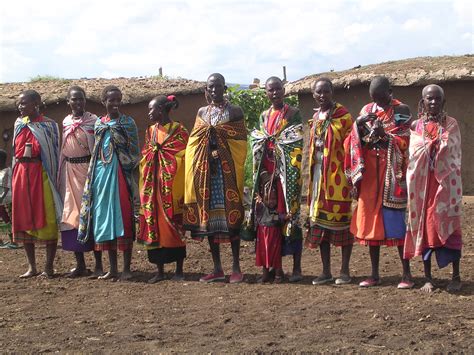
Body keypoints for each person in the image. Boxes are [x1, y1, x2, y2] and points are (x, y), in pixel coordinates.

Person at [345, 76, 413, 288]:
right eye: (374, 98)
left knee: (395, 222)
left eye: (381, 98)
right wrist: (358, 125)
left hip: (392, 173)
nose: (378, 103)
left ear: (390, 92)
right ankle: (374, 274)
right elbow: (353, 139)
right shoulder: (367, 110)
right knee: (370, 223)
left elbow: (407, 139)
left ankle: (407, 275)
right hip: (370, 176)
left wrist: (385, 136)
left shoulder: (402, 109)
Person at [183, 73, 247, 283]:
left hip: (227, 171)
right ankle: (217, 268)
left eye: (217, 87)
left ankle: (236, 267)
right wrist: (204, 155)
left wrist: (221, 150)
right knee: (209, 219)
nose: (214, 91)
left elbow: (240, 143)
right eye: (210, 87)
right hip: (206, 173)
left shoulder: (234, 111)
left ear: (224, 88)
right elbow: (195, 141)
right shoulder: (202, 112)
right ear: (206, 90)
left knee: (232, 219)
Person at [404, 84, 462, 292]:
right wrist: (430, 145)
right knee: (427, 227)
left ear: (443, 102)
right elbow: (414, 153)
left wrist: (437, 145)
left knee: (451, 226)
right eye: (430, 99)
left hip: (446, 187)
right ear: (423, 102)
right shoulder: (416, 127)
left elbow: (453, 151)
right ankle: (428, 277)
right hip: (425, 188)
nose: (434, 102)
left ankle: (456, 276)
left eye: (438, 99)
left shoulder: (451, 124)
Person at [78, 85, 139, 281]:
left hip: (121, 175)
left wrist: (124, 165)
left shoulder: (127, 123)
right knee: (105, 219)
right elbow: (96, 151)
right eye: (111, 100)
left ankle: (127, 268)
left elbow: (134, 151)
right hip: (101, 175)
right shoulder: (98, 124)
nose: (115, 103)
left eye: (118, 100)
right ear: (103, 102)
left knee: (123, 217)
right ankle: (112, 269)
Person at [250, 76, 304, 283]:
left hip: (287, 174)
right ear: (266, 92)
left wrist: (278, 146)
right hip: (267, 175)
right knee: (268, 221)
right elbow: (257, 140)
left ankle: (297, 267)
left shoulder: (293, 113)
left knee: (290, 216)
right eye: (271, 90)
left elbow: (295, 139)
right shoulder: (264, 116)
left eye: (278, 89)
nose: (275, 93)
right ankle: (272, 266)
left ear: (284, 90)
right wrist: (263, 171)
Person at [305, 78, 354, 285]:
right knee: (319, 225)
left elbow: (352, 146)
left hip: (337, 178)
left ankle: (344, 271)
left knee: (342, 224)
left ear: (332, 92)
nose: (322, 95)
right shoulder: (316, 117)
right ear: (314, 95)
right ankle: (325, 271)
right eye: (318, 93)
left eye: (326, 91)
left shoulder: (343, 117)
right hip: (318, 178)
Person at [12, 90, 62, 278]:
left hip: (42, 175)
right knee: (23, 219)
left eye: (24, 103)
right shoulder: (19, 124)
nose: (20, 106)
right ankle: (32, 267)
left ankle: (48, 267)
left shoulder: (48, 125)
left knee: (47, 216)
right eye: (19, 103)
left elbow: (53, 154)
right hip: (21, 176)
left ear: (36, 104)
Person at [138, 95, 189, 283]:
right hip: (153, 187)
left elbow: (183, 155)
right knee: (155, 226)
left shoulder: (179, 130)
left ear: (161, 110)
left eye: (152, 109)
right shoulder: (150, 131)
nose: (149, 113)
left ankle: (179, 270)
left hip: (171, 187)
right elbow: (146, 153)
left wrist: (165, 158)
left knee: (174, 226)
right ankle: (159, 271)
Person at [58, 86, 103, 277]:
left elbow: (98, 148)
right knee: (71, 217)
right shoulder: (66, 121)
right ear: (68, 101)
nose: (78, 103)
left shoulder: (94, 121)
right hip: (69, 173)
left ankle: (99, 265)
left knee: (91, 215)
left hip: (88, 172)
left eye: (81, 99)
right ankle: (80, 265)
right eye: (74, 99)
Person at [0, 149, 20, 249]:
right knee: (3, 221)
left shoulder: (7, 171)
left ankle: (14, 241)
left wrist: (2, 197)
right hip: (1, 202)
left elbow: (7, 187)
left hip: (6, 201)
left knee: (8, 221)